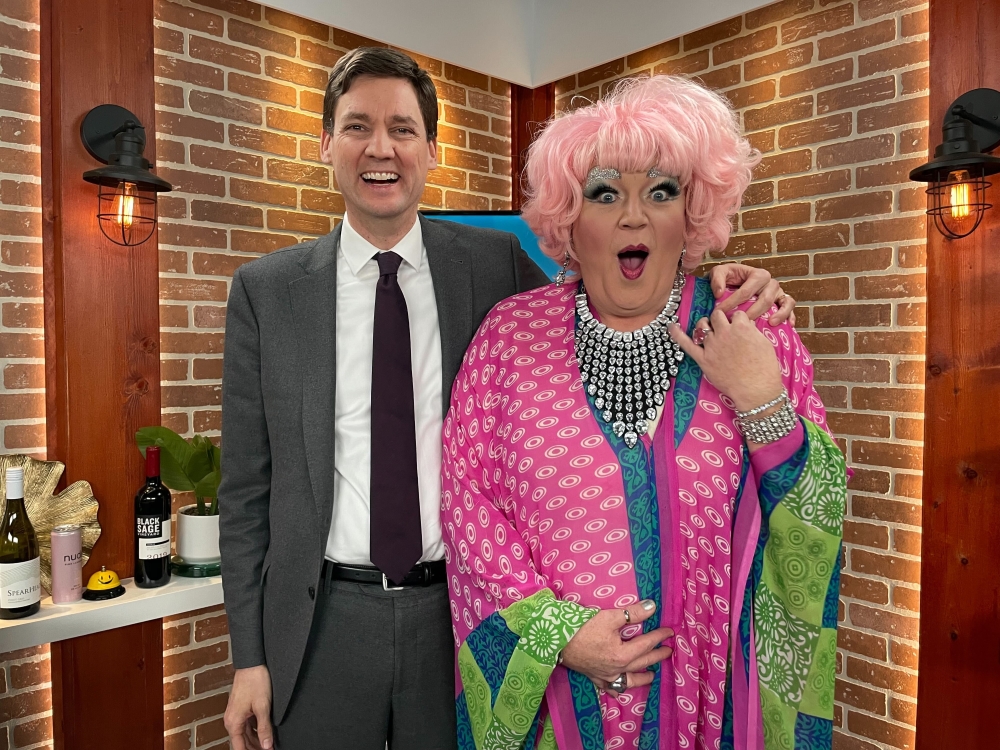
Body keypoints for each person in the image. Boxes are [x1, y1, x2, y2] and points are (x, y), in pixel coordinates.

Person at [218, 48, 797, 750]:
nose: (380, 148)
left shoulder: (492, 267)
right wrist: (248, 657)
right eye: (357, 127)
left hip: (452, 623)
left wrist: (736, 277)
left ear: (431, 149)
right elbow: (247, 491)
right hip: (323, 624)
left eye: (402, 128)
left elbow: (606, 278)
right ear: (325, 144)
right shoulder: (267, 291)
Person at [443, 74, 846, 750]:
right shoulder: (507, 339)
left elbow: (824, 502)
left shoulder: (750, 326)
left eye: (660, 191)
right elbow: (466, 503)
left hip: (713, 707)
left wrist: (761, 403)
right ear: (569, 218)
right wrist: (558, 634)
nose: (634, 215)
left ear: (691, 214)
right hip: (561, 711)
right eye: (606, 193)